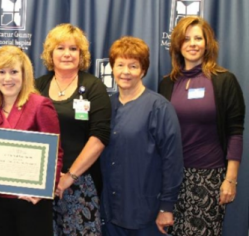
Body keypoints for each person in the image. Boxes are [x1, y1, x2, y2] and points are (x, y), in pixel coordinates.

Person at [159, 16, 246, 236]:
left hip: (209, 178)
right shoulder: (167, 83)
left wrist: (230, 179)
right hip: (172, 178)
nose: (193, 44)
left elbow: (235, 132)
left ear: (207, 43)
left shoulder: (224, 81)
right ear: (178, 44)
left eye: (198, 38)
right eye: (187, 39)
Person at [100, 36, 184, 236]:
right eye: (120, 65)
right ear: (112, 68)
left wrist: (166, 207)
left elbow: (173, 161)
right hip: (109, 212)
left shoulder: (159, 107)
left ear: (143, 70)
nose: (125, 72)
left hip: (145, 213)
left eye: (133, 66)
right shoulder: (105, 106)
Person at [0, 45, 63, 236]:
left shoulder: (40, 105)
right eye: (1, 72)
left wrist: (44, 190)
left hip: (31, 200)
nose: (7, 78)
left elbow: (56, 153)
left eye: (14, 72)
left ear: (25, 75)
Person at [35, 23, 111, 236]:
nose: (67, 54)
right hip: (41, 184)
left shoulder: (94, 87)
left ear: (81, 54)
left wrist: (69, 176)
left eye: (73, 49)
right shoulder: (36, 86)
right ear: (51, 53)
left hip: (81, 183)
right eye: (60, 48)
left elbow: (99, 137)